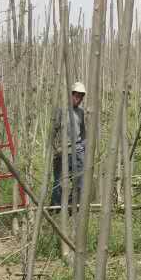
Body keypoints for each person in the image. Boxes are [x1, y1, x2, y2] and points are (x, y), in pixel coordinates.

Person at [51, 80, 86, 212]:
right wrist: (55, 149)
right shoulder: (61, 111)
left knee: (79, 182)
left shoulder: (81, 113)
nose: (79, 99)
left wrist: (84, 149)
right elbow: (52, 132)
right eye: (76, 95)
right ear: (71, 95)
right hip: (62, 152)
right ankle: (55, 209)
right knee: (59, 182)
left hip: (77, 152)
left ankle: (72, 208)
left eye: (81, 96)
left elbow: (83, 134)